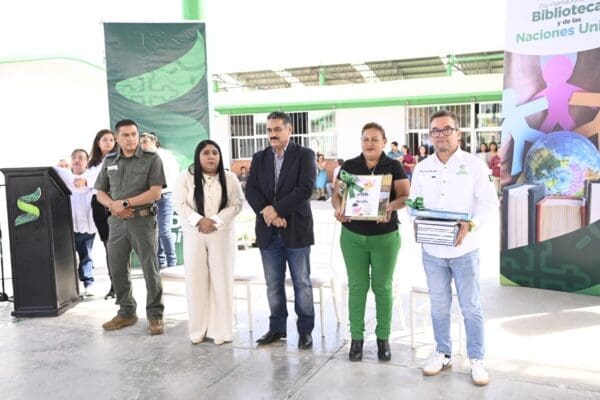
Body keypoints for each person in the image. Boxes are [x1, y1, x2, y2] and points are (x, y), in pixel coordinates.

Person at [409, 110, 498, 386]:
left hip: (464, 251)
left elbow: (488, 203)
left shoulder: (474, 165)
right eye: (435, 131)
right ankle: (443, 352)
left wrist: (471, 224)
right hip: (432, 251)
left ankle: (477, 359)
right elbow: (413, 204)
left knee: (470, 306)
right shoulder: (422, 168)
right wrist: (416, 218)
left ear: (458, 133)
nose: (441, 135)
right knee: (439, 306)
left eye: (447, 129)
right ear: (430, 136)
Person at [331, 122, 410, 362]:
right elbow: (337, 195)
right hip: (352, 236)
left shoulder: (393, 166)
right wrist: (339, 208)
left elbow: (405, 196)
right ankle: (356, 339)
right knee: (357, 286)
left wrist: (389, 207)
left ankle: (383, 338)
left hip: (385, 237)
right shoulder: (349, 166)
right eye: (365, 139)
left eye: (375, 139)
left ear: (384, 142)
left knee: (382, 287)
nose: (370, 143)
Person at [245, 111, 316, 350]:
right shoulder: (259, 157)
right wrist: (269, 213)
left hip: (296, 229)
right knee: (273, 284)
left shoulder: (305, 155)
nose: (272, 134)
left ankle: (305, 331)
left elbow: (305, 189)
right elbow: (251, 190)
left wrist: (276, 210)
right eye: (269, 130)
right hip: (268, 231)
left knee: (301, 283)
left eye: (277, 129)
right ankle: (277, 329)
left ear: (289, 130)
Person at [95, 119, 166, 335]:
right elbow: (100, 192)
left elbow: (155, 192)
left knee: (149, 269)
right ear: (117, 138)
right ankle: (126, 312)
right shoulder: (110, 161)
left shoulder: (151, 159)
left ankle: (155, 315)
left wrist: (125, 203)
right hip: (116, 222)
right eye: (125, 135)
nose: (131, 139)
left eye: (134, 134)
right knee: (117, 268)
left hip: (142, 221)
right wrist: (113, 206)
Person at [173, 140, 243, 345]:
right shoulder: (186, 177)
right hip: (194, 234)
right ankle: (198, 330)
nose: (211, 156)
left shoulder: (230, 178)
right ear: (198, 156)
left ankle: (222, 331)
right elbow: (179, 203)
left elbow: (237, 203)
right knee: (196, 282)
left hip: (221, 235)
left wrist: (216, 221)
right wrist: (199, 221)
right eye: (206, 153)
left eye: (215, 153)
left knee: (222, 281)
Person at [54, 149, 97, 297]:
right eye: (74, 158)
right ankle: (67, 288)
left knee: (86, 256)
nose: (77, 160)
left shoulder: (92, 176)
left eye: (81, 158)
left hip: (87, 225)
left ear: (87, 161)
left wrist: (87, 182)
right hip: (68, 225)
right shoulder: (65, 176)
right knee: (66, 258)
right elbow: (51, 171)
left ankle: (88, 283)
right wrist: (59, 165)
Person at [140, 132, 179, 268]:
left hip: (165, 196)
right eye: (141, 143)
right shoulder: (142, 158)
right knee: (154, 231)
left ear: (154, 141)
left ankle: (172, 263)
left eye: (145, 141)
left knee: (164, 230)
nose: (143, 145)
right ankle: (161, 262)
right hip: (150, 198)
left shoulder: (166, 156)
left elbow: (174, 175)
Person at [87, 129, 117, 299]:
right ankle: (114, 285)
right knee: (108, 244)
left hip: (115, 202)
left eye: (111, 139)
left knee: (117, 245)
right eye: (104, 139)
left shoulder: (119, 159)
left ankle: (121, 285)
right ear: (97, 142)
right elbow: (88, 184)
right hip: (97, 204)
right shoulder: (92, 163)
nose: (108, 142)